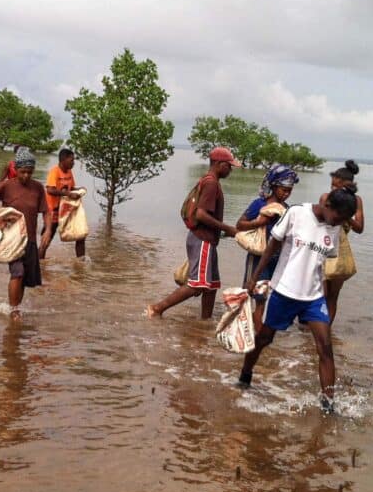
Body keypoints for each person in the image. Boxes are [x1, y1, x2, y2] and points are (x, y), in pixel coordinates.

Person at [240, 187, 360, 412]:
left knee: (325, 347)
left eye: (343, 221)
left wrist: (324, 297)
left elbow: (322, 263)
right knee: (264, 338)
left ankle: (328, 405)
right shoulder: (296, 213)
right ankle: (246, 373)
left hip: (313, 297)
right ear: (328, 206)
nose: (338, 224)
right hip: (284, 292)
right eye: (338, 218)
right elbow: (272, 246)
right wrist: (254, 279)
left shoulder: (333, 228)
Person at [146, 147, 242, 320]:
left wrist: (221, 231)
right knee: (197, 285)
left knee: (211, 285)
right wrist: (227, 229)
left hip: (204, 239)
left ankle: (205, 321)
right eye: (229, 166)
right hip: (202, 240)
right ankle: (157, 308)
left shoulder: (208, 180)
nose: (230, 170)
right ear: (220, 164)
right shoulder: (212, 183)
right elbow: (201, 214)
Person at [0, 147, 53, 321]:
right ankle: (14, 311)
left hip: (29, 239)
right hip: (12, 239)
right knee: (18, 272)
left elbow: (46, 211)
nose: (26, 176)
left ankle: (15, 307)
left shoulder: (38, 188)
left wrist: (47, 230)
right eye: (23, 172)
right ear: (16, 169)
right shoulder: (6, 186)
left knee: (24, 279)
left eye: (30, 172)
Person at [235, 165, 299, 324]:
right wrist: (260, 222)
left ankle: (259, 332)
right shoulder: (259, 204)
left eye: (289, 190)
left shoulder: (287, 209)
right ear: (274, 186)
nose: (286, 193)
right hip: (258, 257)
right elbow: (240, 225)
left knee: (269, 298)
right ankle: (254, 333)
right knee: (258, 296)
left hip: (277, 260)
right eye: (283, 189)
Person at [321, 160, 365, 322]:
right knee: (321, 294)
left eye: (336, 187)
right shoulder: (326, 198)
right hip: (324, 246)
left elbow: (359, 228)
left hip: (341, 250)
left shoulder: (356, 201)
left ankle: (325, 330)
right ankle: (311, 329)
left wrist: (346, 216)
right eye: (331, 186)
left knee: (332, 297)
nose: (332, 189)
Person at [40, 147, 85, 260]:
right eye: (71, 160)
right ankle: (39, 263)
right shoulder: (54, 171)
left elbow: (71, 187)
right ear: (63, 160)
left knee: (80, 234)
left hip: (65, 209)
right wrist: (69, 194)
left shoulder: (69, 172)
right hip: (53, 210)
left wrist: (79, 190)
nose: (73, 163)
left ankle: (81, 263)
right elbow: (50, 190)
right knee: (47, 237)